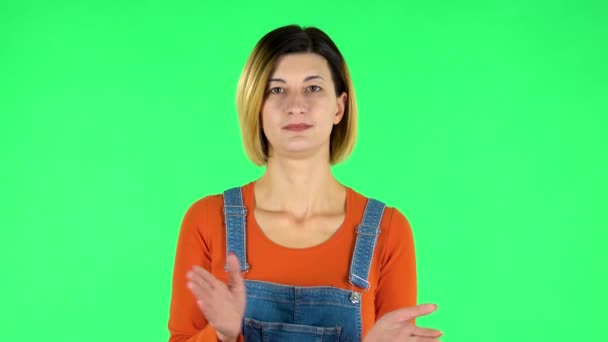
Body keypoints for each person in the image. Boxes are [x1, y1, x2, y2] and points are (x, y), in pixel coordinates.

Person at [168, 24, 442, 342]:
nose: (296, 105)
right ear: (256, 107)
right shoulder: (206, 221)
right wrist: (222, 334)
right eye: (276, 90)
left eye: (313, 88)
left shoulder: (389, 231)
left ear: (339, 107)